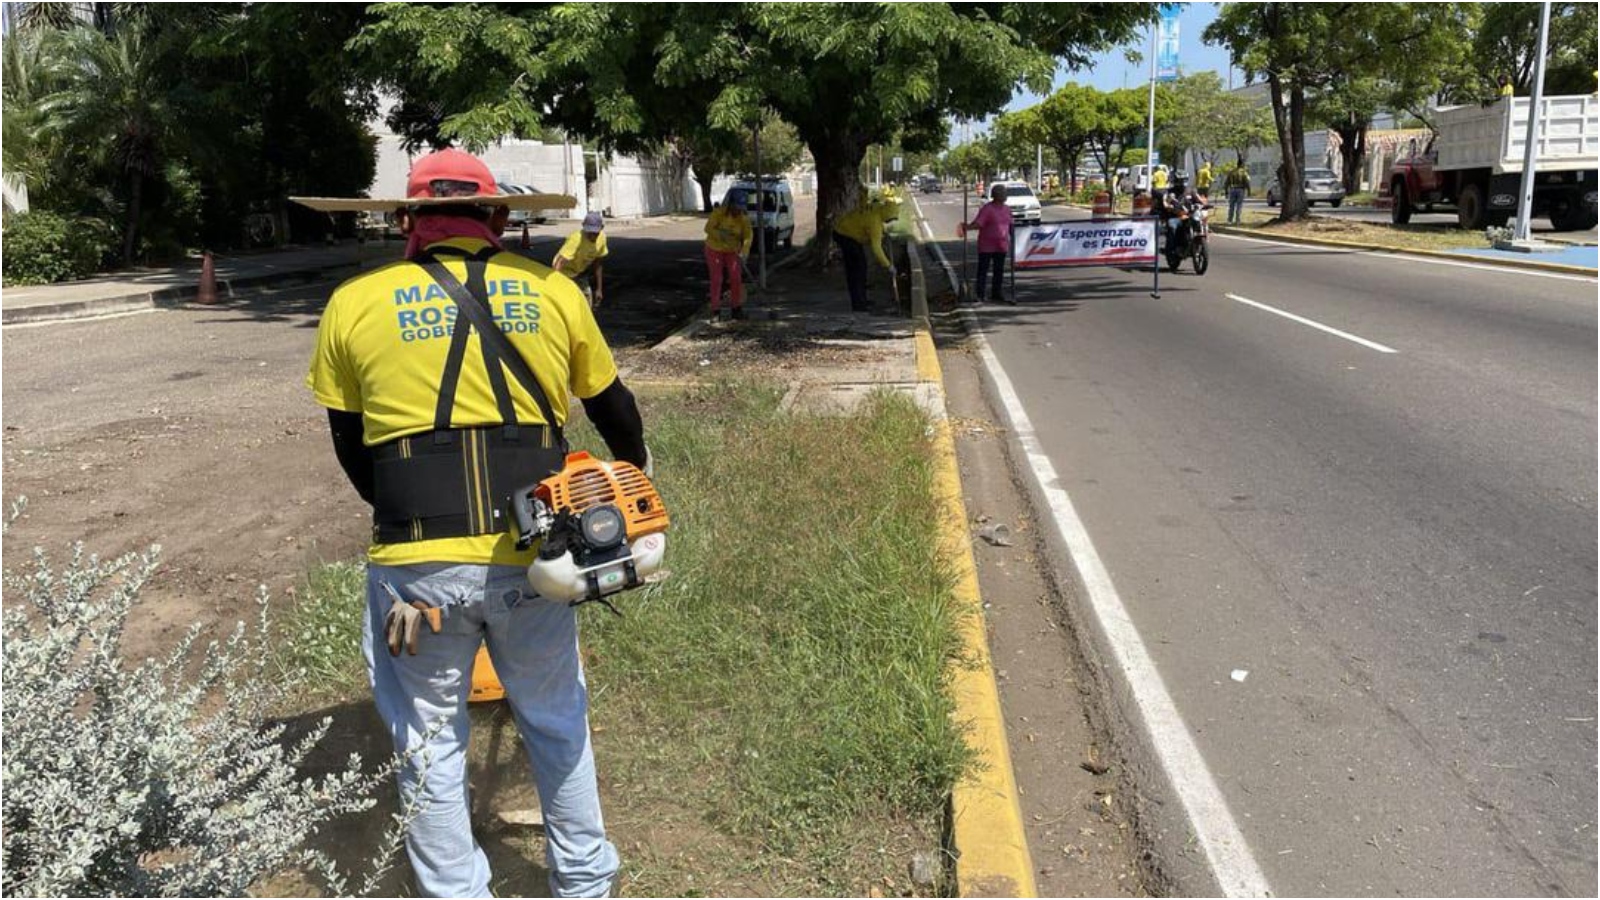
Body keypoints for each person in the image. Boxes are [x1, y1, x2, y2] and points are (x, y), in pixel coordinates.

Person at [304, 148, 647, 899]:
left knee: (427, 737)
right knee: (556, 720)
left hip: (415, 567)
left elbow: (347, 440)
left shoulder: (354, 303)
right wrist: (635, 479)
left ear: (409, 222)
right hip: (539, 561)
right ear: (497, 219)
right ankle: (586, 883)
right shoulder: (551, 293)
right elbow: (614, 407)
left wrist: (403, 521)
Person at [833, 194, 896, 312]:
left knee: (861, 267)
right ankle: (858, 305)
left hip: (845, 230)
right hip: (844, 235)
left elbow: (873, 220)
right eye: (890, 219)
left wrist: (883, 232)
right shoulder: (875, 223)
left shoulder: (877, 207)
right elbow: (876, 249)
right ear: (886, 213)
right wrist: (888, 265)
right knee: (857, 270)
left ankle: (861, 300)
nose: (889, 221)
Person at [704, 190, 752, 321]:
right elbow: (708, 228)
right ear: (730, 204)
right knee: (717, 279)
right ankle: (715, 311)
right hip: (714, 248)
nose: (738, 210)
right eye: (736, 207)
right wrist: (720, 235)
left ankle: (736, 309)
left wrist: (744, 253)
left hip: (733, 251)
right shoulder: (718, 212)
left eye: (741, 207)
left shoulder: (744, 219)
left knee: (736, 278)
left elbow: (748, 237)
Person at [964, 182, 1014, 304]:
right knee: (983, 270)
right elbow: (979, 223)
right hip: (987, 246)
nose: (1005, 195)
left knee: (999, 270)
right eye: (1003, 193)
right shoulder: (987, 209)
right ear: (996, 195)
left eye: (1005, 192)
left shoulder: (1007, 209)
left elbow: (1011, 224)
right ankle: (980, 294)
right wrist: (967, 227)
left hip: (1001, 245)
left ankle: (996, 293)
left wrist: (1016, 236)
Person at [552, 211, 609, 308]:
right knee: (566, 303)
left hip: (580, 272)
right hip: (564, 272)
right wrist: (554, 285)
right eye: (590, 232)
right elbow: (560, 262)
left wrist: (599, 289)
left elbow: (598, 263)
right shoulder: (576, 239)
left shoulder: (602, 238)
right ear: (584, 227)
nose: (593, 236)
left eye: (595, 233)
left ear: (601, 228)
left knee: (586, 303)